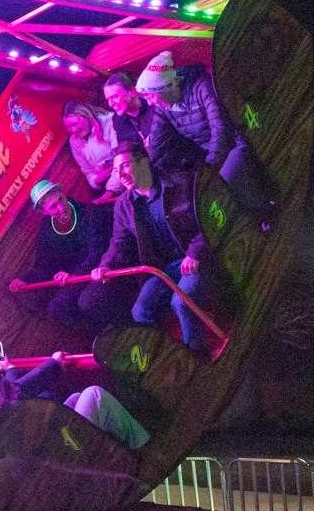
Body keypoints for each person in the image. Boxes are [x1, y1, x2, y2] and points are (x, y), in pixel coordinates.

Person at [94, 145, 222, 354]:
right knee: (140, 311)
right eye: (116, 171)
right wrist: (105, 265)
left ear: (143, 162)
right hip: (163, 269)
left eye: (125, 166)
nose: (120, 175)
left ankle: (196, 356)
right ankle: (167, 357)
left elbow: (209, 215)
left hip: (196, 257)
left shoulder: (180, 182)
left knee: (181, 302)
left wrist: (195, 252)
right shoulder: (124, 205)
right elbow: (119, 241)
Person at [134, 50, 276, 226]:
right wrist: (147, 175)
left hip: (237, 142)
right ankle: (244, 226)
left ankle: (266, 216)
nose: (150, 102)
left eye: (150, 95)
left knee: (227, 176)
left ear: (166, 88)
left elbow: (221, 128)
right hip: (211, 156)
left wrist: (212, 167)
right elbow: (157, 145)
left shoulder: (201, 86)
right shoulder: (164, 108)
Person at [0, 344, 149, 449]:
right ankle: (144, 447)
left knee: (75, 398)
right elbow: (24, 386)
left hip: (45, 454)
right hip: (58, 455)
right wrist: (54, 362)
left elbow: (17, 386)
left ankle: (120, 454)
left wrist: (9, 367)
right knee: (94, 395)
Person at [11, 180, 120, 333]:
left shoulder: (88, 212)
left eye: (61, 200)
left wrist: (73, 275)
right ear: (44, 212)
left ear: (63, 194)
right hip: (75, 277)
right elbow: (44, 264)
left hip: (99, 267)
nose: (61, 208)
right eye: (53, 207)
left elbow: (97, 252)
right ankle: (104, 332)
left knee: (85, 301)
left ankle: (114, 326)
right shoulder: (47, 229)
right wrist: (26, 280)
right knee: (55, 308)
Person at [60, 100, 125, 194]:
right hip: (105, 185)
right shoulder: (74, 141)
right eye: (68, 127)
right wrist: (97, 180)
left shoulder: (109, 121)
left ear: (86, 116)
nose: (73, 130)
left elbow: (122, 159)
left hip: (124, 174)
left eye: (75, 123)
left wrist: (110, 191)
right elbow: (87, 170)